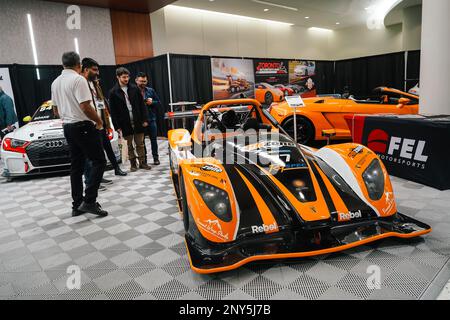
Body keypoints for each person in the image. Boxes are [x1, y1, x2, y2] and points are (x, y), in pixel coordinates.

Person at [51, 51, 108, 217]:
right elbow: (85, 107)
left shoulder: (55, 82)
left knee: (76, 166)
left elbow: (55, 110)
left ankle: (77, 205)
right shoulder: (78, 79)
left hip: (68, 127)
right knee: (99, 161)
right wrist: (99, 121)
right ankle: (89, 201)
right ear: (79, 65)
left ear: (63, 64)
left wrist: (69, 116)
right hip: (83, 126)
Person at [81, 58, 128, 184]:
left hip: (100, 121)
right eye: (94, 70)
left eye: (98, 70)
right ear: (85, 69)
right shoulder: (82, 83)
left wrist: (106, 123)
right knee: (91, 154)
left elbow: (101, 104)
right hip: (90, 123)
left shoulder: (95, 84)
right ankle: (90, 179)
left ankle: (115, 169)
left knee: (107, 147)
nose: (97, 73)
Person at [109, 67, 150, 172]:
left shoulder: (134, 88)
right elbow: (113, 112)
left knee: (140, 143)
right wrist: (117, 126)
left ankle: (142, 162)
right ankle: (133, 164)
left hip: (138, 120)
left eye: (127, 77)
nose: (126, 79)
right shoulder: (113, 92)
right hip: (124, 123)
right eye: (123, 77)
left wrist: (145, 119)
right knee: (129, 145)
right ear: (118, 77)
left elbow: (142, 105)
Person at [135, 72, 160, 165]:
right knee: (141, 142)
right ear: (136, 81)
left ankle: (156, 158)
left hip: (151, 119)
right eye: (141, 81)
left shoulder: (151, 90)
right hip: (140, 120)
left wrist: (152, 102)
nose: (143, 83)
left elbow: (158, 102)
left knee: (154, 140)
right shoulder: (133, 91)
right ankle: (144, 160)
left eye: (145, 81)